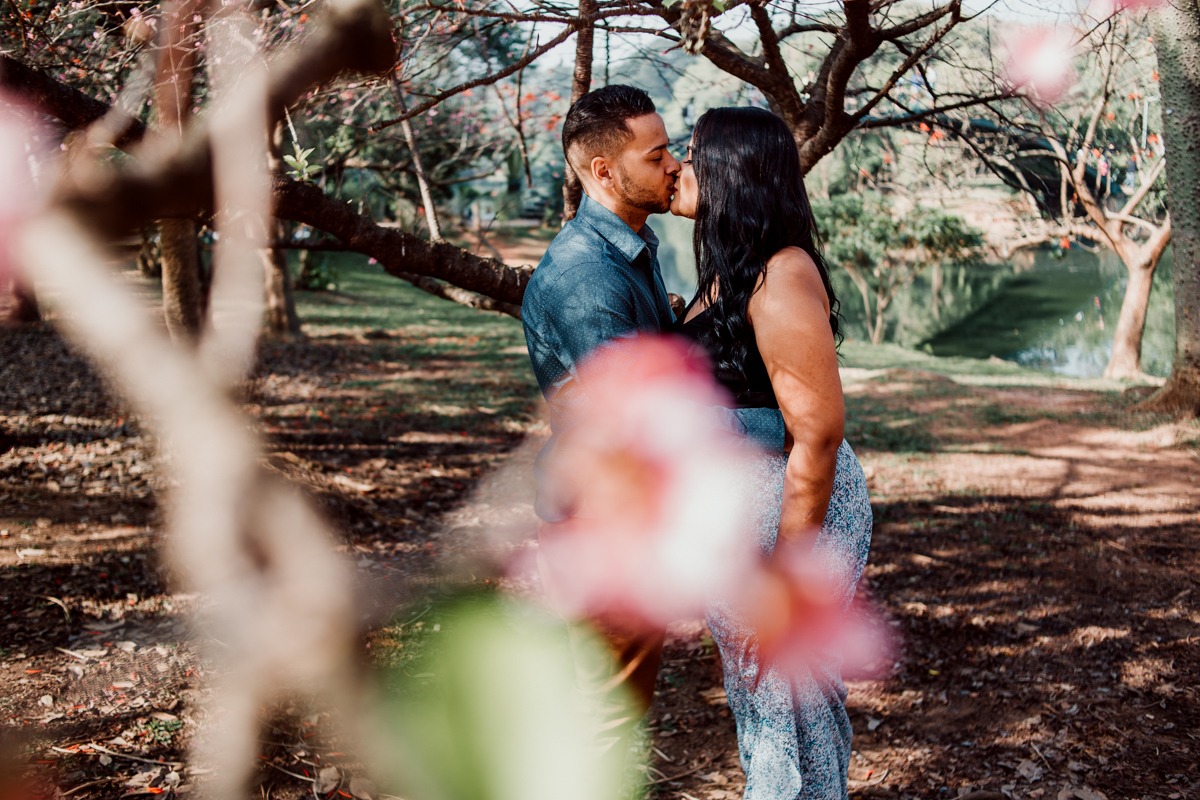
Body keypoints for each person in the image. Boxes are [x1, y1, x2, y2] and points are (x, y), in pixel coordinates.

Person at [520, 86, 787, 774]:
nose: (674, 165)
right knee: (608, 725)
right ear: (604, 172)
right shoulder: (589, 275)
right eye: (658, 152)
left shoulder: (631, 246)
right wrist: (775, 426)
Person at [671, 106, 872, 800]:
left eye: (690, 152)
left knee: (792, 698)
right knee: (764, 699)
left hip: (793, 521)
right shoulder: (731, 271)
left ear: (731, 170)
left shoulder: (780, 274)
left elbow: (817, 433)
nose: (676, 164)